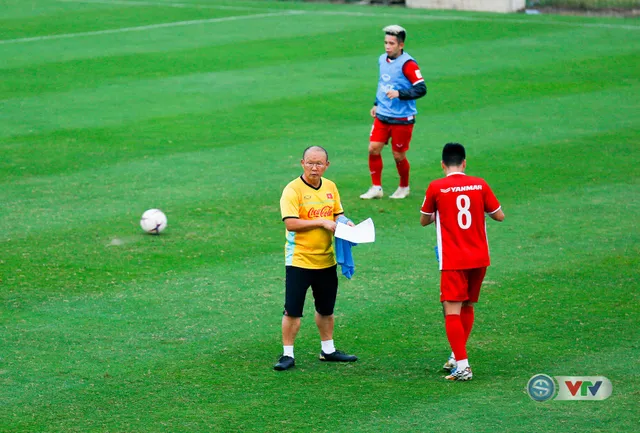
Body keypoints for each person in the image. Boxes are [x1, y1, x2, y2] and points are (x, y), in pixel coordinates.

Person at [419, 143, 505, 381]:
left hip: (454, 258)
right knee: (467, 305)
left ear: (443, 165)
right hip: (479, 257)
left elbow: (424, 220)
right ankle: (456, 357)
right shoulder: (480, 184)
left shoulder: (436, 186)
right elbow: (499, 216)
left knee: (451, 308)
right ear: (464, 163)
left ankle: (464, 366)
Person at [274, 146, 358, 371]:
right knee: (292, 310)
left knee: (326, 309)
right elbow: (291, 223)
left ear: (326, 165)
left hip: (326, 260)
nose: (314, 167)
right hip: (299, 260)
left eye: (319, 163)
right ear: (302, 163)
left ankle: (328, 350)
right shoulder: (292, 190)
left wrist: (345, 221)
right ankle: (287, 354)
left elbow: (337, 213)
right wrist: (321, 222)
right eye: (310, 163)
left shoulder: (330, 187)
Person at [360, 24, 427, 200]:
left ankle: (404, 187)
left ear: (401, 45)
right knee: (373, 149)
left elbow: (421, 89)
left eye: (391, 43)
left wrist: (400, 94)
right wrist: (376, 103)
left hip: (402, 118)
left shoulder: (409, 65)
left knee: (398, 155)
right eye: (386, 42)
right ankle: (376, 187)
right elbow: (383, 83)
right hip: (383, 114)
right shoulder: (382, 59)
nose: (388, 46)